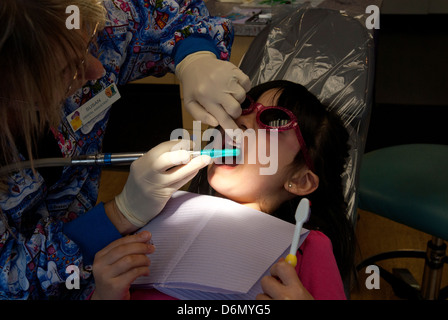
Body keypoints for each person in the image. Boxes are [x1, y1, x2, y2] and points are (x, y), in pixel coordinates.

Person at [0, 0, 250, 299]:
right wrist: (120, 213)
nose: (96, 69)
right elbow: (13, 280)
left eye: (90, 44)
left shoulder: (74, 19)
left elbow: (173, 14)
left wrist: (195, 55)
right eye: (69, 70)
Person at [94, 80, 356, 300]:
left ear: (300, 181)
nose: (241, 121)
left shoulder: (308, 248)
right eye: (245, 106)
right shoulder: (155, 211)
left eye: (274, 122)